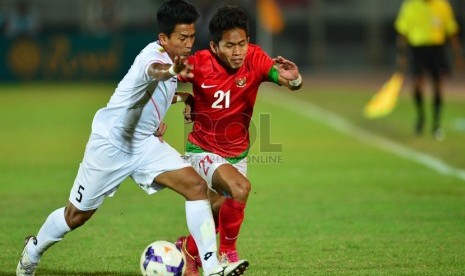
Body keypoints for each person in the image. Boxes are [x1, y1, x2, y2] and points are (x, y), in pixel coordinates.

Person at [15, 1, 248, 276]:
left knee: (196, 187)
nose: (188, 44)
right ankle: (33, 250)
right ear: (164, 38)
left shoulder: (176, 60)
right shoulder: (153, 57)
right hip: (110, 145)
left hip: (145, 145)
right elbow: (155, 74)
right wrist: (173, 72)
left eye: (192, 37)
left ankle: (211, 268)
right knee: (76, 216)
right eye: (182, 38)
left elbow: (154, 94)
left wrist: (183, 97)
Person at [172, 5, 303, 276]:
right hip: (202, 149)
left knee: (220, 211)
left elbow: (287, 80)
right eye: (230, 46)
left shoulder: (255, 58)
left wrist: (295, 78)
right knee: (241, 188)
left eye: (242, 43)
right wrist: (186, 97)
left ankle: (189, 249)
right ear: (214, 46)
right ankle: (227, 252)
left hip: (237, 154)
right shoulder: (199, 63)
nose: (237, 51)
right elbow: (162, 87)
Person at [395, 0, 463, 141]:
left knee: (438, 85)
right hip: (418, 49)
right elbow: (403, 32)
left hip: (436, 49)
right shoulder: (411, 5)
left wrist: (457, 55)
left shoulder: (442, 5)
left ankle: (436, 124)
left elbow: (452, 31)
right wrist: (402, 54)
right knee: (417, 84)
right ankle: (421, 118)